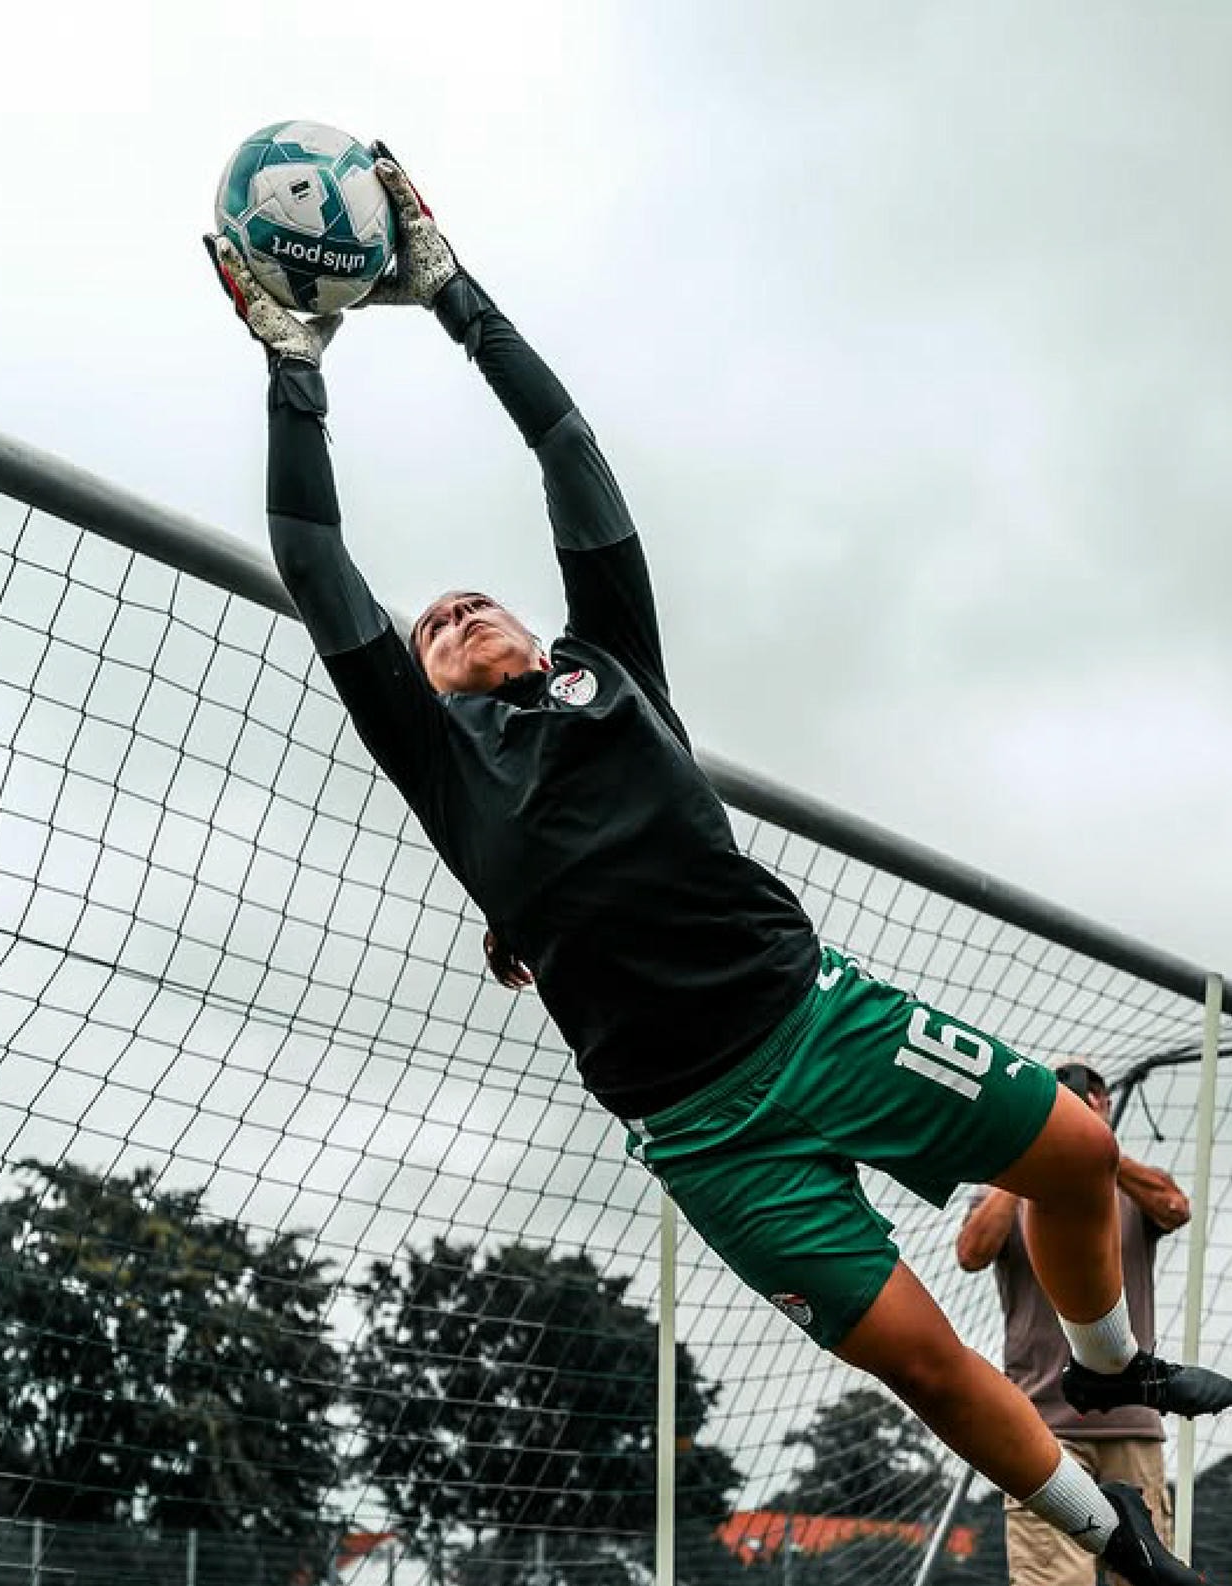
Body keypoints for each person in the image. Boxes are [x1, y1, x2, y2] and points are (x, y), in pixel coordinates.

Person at [204, 147, 1232, 1586]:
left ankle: (1117, 1367)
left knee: (1075, 1159)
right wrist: (292, 364)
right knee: (928, 1370)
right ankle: (1114, 1546)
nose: (448, 610)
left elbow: (570, 457)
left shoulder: (611, 665)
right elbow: (315, 556)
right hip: (708, 1135)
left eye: (472, 601)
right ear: (420, 689)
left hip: (819, 1019)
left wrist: (453, 296)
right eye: (429, 628)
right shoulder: (440, 764)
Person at [958, 1060, 1193, 1585]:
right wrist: (1033, 1156)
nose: (1081, 1107)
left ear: (1107, 1108)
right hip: (1043, 1425)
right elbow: (972, 1253)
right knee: (1054, 1580)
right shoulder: (1005, 1191)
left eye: (1092, 1100)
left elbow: (1176, 1208)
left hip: (1130, 1419)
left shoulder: (1131, 1193)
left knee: (1149, 1575)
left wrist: (1099, 1153)